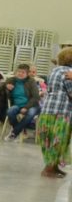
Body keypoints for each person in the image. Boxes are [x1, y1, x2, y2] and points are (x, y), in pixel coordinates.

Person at [36, 48, 72, 178]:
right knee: (59, 141)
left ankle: (54, 167)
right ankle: (49, 169)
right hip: (62, 112)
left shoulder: (55, 70)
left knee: (50, 139)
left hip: (48, 110)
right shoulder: (69, 73)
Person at [0, 63, 41, 141]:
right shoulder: (12, 80)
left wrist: (26, 107)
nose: (20, 74)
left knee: (30, 113)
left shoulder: (31, 81)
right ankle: (19, 131)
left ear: (27, 74)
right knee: (10, 111)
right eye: (19, 71)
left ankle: (14, 133)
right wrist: (5, 86)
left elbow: (36, 97)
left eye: (23, 72)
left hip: (32, 105)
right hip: (17, 105)